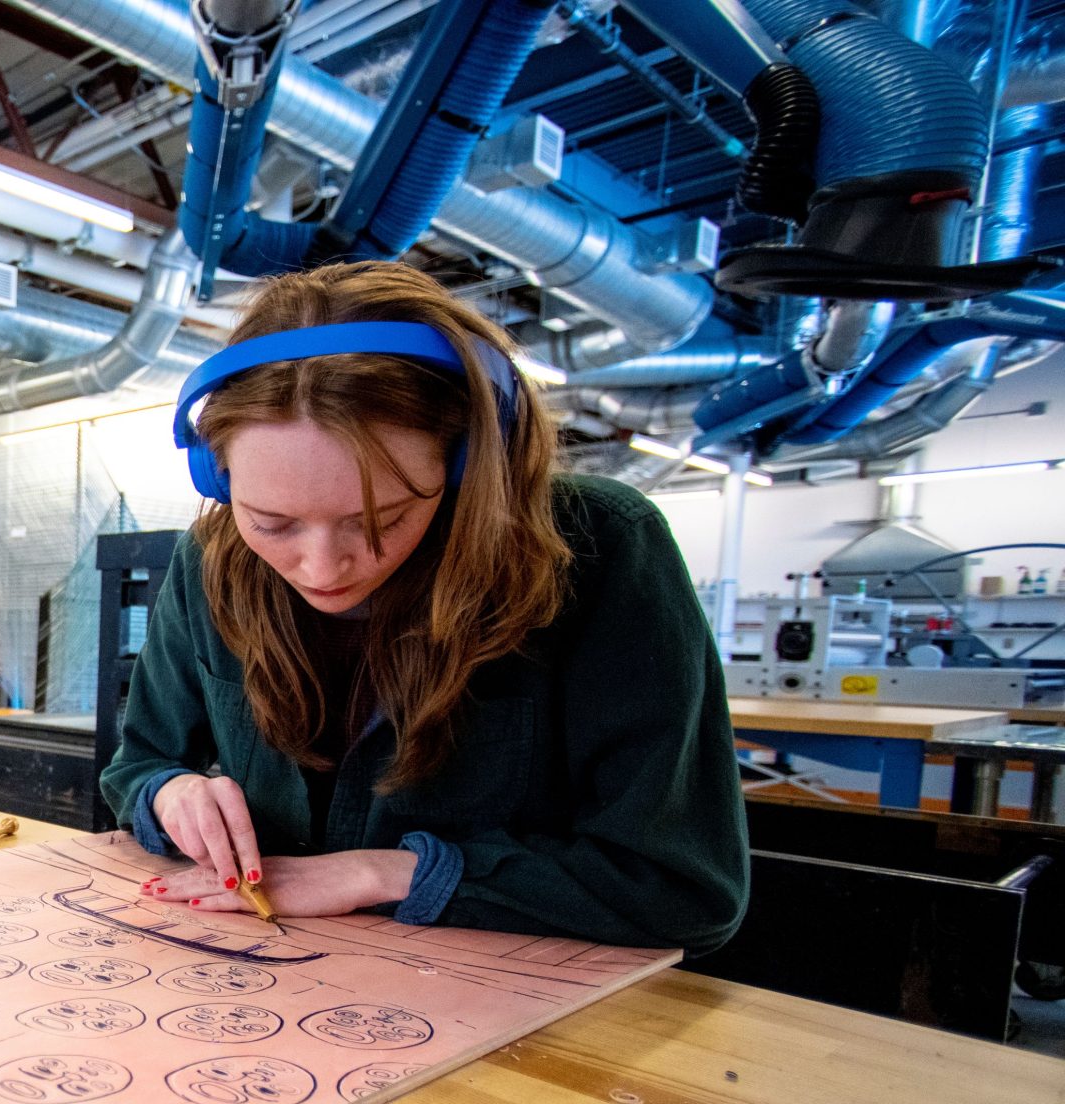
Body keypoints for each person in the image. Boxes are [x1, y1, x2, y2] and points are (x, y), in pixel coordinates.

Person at [100, 261, 748, 952]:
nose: (321, 569)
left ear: (466, 462)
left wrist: (384, 874)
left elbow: (685, 889)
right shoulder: (211, 560)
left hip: (503, 990)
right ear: (216, 473)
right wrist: (169, 792)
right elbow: (139, 763)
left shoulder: (601, 548)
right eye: (272, 523)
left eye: (380, 520)